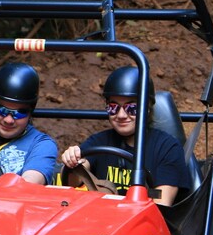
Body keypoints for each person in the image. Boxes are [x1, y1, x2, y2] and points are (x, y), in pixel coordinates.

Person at [60, 66, 191, 206]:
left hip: (144, 222)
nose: (121, 115)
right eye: (113, 107)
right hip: (104, 220)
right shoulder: (98, 142)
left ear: (146, 109)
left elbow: (161, 206)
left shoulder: (167, 147)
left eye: (131, 108)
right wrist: (72, 162)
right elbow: (72, 182)